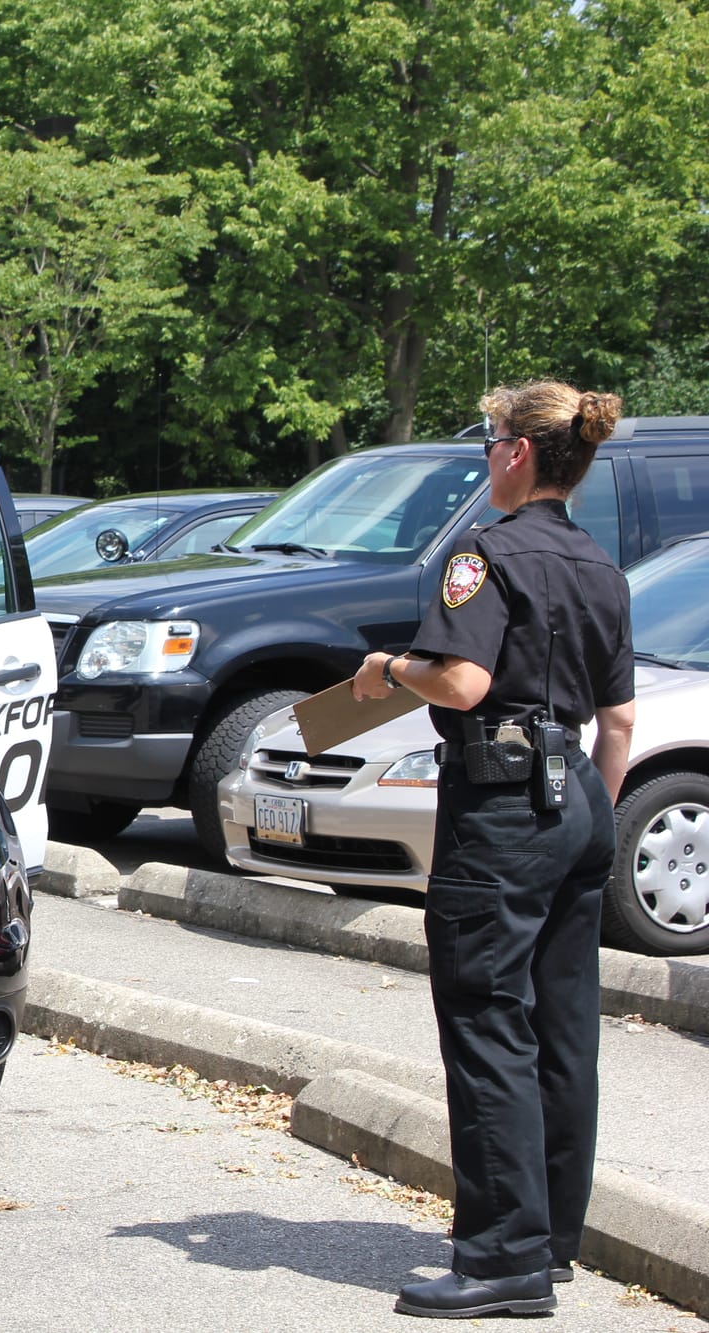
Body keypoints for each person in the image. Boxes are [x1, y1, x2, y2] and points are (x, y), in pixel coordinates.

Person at [352, 381, 635, 1318]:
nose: (483, 457)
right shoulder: (601, 564)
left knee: (486, 1022)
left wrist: (391, 669)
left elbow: (465, 681)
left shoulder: (479, 552)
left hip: (506, 809)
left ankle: (500, 1259)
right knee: (564, 1026)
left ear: (518, 452)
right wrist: (584, 813)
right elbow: (620, 718)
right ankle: (550, 1241)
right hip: (581, 802)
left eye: (488, 441)